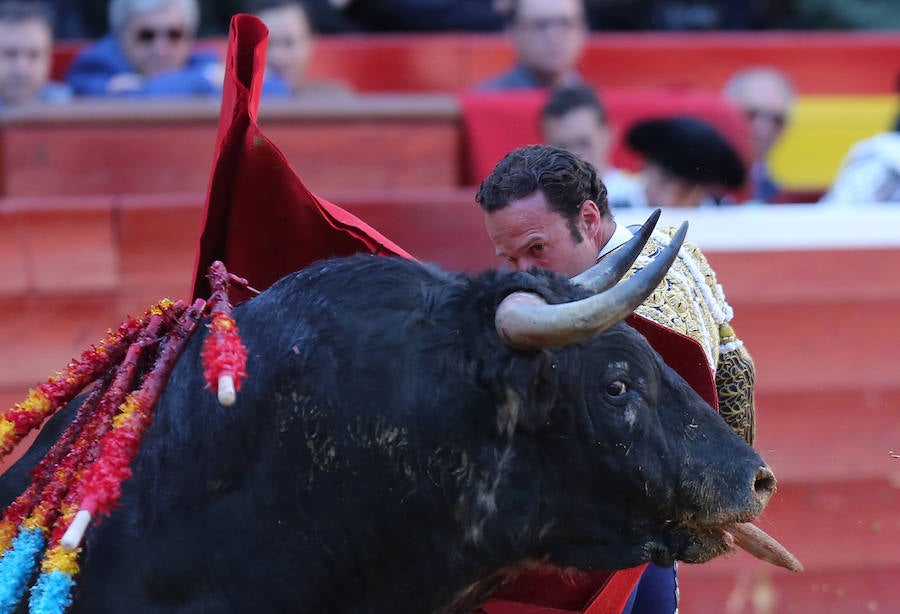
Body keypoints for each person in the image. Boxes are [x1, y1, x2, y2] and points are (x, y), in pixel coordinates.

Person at [476, 144, 756, 613]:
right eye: (510, 260)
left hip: (601, 542)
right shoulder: (675, 248)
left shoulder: (591, 315)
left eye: (537, 250)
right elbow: (736, 368)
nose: (523, 277)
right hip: (653, 527)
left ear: (588, 219)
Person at [65, 0, 229, 97]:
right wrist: (203, 79)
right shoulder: (93, 67)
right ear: (121, 35)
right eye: (146, 35)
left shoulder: (204, 63)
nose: (160, 49)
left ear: (189, 36)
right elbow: (139, 99)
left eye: (174, 35)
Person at [540, 84, 645, 209]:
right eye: (562, 147)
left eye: (583, 143)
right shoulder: (541, 203)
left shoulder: (641, 196)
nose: (574, 155)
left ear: (608, 135)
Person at [625, 115, 747, 207]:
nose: (670, 198)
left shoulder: (725, 218)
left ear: (707, 191)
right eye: (665, 180)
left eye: (687, 189)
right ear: (644, 167)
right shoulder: (614, 210)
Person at [247, 0, 352, 97]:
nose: (278, 57)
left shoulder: (335, 99)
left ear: (310, 44)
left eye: (289, 43)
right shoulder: (235, 104)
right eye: (265, 45)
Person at [476, 0, 587, 90]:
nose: (554, 35)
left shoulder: (599, 104)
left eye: (565, 23)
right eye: (540, 24)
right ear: (512, 32)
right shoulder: (482, 101)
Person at [722, 66, 795, 202]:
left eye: (776, 120)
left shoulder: (781, 200)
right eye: (751, 115)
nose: (763, 129)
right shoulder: (695, 187)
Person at [0, 2, 71, 108]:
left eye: (34, 55)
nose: (21, 68)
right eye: (10, 54)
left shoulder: (70, 104)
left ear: (49, 58)